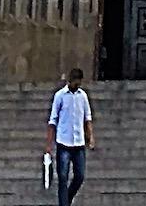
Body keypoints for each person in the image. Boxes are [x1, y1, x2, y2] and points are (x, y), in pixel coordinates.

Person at [46, 67, 94, 206]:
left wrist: (90, 136)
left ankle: (67, 198)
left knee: (80, 176)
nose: (77, 85)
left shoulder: (83, 96)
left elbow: (87, 118)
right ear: (70, 81)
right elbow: (53, 120)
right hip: (64, 142)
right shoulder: (60, 96)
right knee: (63, 177)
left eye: (79, 83)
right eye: (75, 83)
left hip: (78, 143)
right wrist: (49, 144)